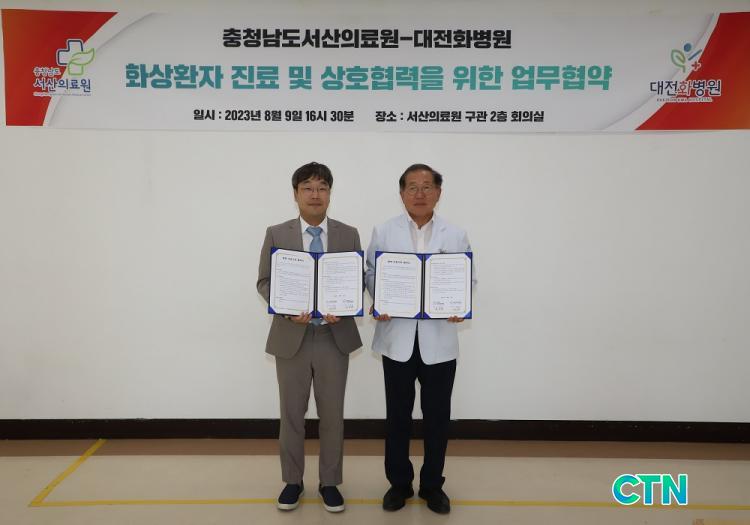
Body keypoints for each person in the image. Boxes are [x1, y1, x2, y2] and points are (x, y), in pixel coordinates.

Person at [365, 163, 475, 515]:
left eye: (427, 186)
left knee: (437, 418)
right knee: (397, 417)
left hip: (439, 343)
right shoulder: (384, 231)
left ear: (438, 193)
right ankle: (399, 484)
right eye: (412, 187)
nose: (420, 193)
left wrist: (459, 304)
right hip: (396, 338)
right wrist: (379, 299)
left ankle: (432, 486)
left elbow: (467, 278)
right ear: (402, 194)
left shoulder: (455, 234)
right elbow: (371, 272)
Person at [257, 162, 363, 513]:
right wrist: (286, 308)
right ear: (296, 194)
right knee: (291, 415)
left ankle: (330, 482)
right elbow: (264, 281)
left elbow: (354, 281)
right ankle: (292, 481)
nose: (315, 194)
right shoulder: (277, 233)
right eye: (307, 188)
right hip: (292, 337)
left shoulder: (349, 234)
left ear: (330, 193)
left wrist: (344, 307)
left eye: (322, 188)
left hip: (334, 336)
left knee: (333, 415)